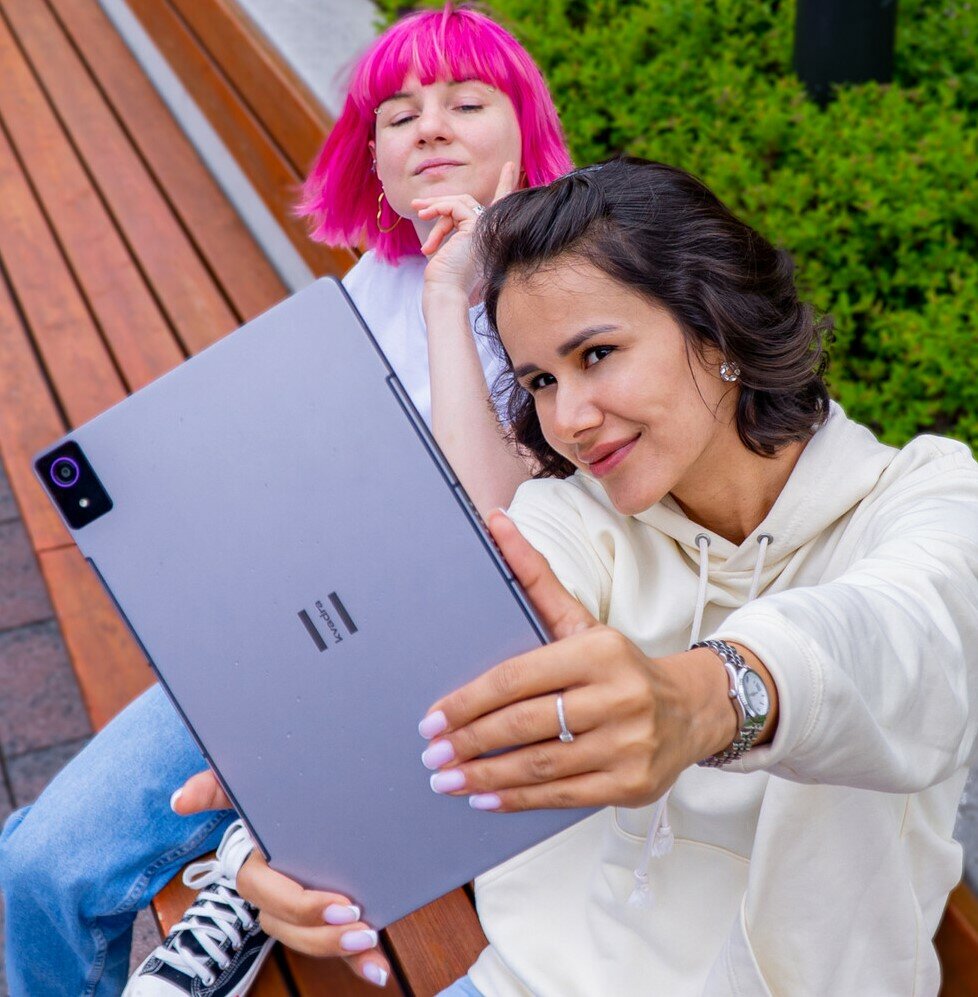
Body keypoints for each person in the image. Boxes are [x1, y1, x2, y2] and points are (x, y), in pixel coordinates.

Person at [176, 158, 978, 995]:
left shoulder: (931, 498)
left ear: (716, 324)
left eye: (597, 353)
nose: (569, 419)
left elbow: (903, 638)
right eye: (540, 381)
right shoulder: (572, 518)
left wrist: (708, 697)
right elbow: (428, 665)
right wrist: (278, 825)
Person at [0, 6, 571, 995]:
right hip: (298, 637)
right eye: (399, 116)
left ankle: (245, 859)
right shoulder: (372, 282)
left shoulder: (568, 294)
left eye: (467, 104)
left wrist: (455, 292)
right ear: (375, 160)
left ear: (526, 131)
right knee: (38, 863)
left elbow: (484, 535)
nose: (430, 127)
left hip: (443, 676)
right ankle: (246, 844)